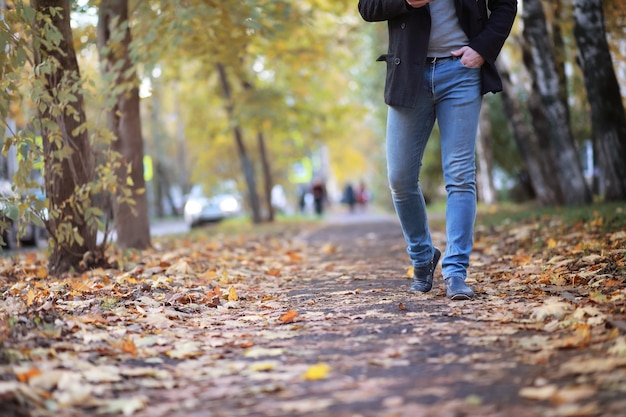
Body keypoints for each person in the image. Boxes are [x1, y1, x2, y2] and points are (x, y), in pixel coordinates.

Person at [357, 0, 517, 300]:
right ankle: (422, 256)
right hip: (409, 74)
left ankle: (456, 272)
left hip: (461, 71)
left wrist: (483, 48)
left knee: (460, 175)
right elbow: (368, 7)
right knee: (400, 179)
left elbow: (505, 4)